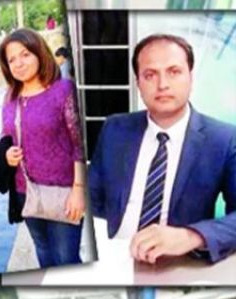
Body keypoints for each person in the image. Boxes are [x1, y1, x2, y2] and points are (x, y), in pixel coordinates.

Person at [88, 34, 236, 266]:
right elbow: (92, 198)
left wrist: (192, 236)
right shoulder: (115, 128)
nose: (162, 84)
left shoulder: (224, 138)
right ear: (138, 83)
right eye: (150, 75)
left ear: (191, 77)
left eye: (174, 71)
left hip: (179, 263)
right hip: (114, 255)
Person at [0, 28, 87, 268]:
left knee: (66, 258)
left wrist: (78, 190)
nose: (19, 63)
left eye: (25, 54)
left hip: (63, 190)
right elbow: (5, 137)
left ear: (39, 52)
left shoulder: (63, 90)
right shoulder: (10, 97)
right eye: (12, 59)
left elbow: (80, 143)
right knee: (44, 254)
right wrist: (7, 154)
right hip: (24, 190)